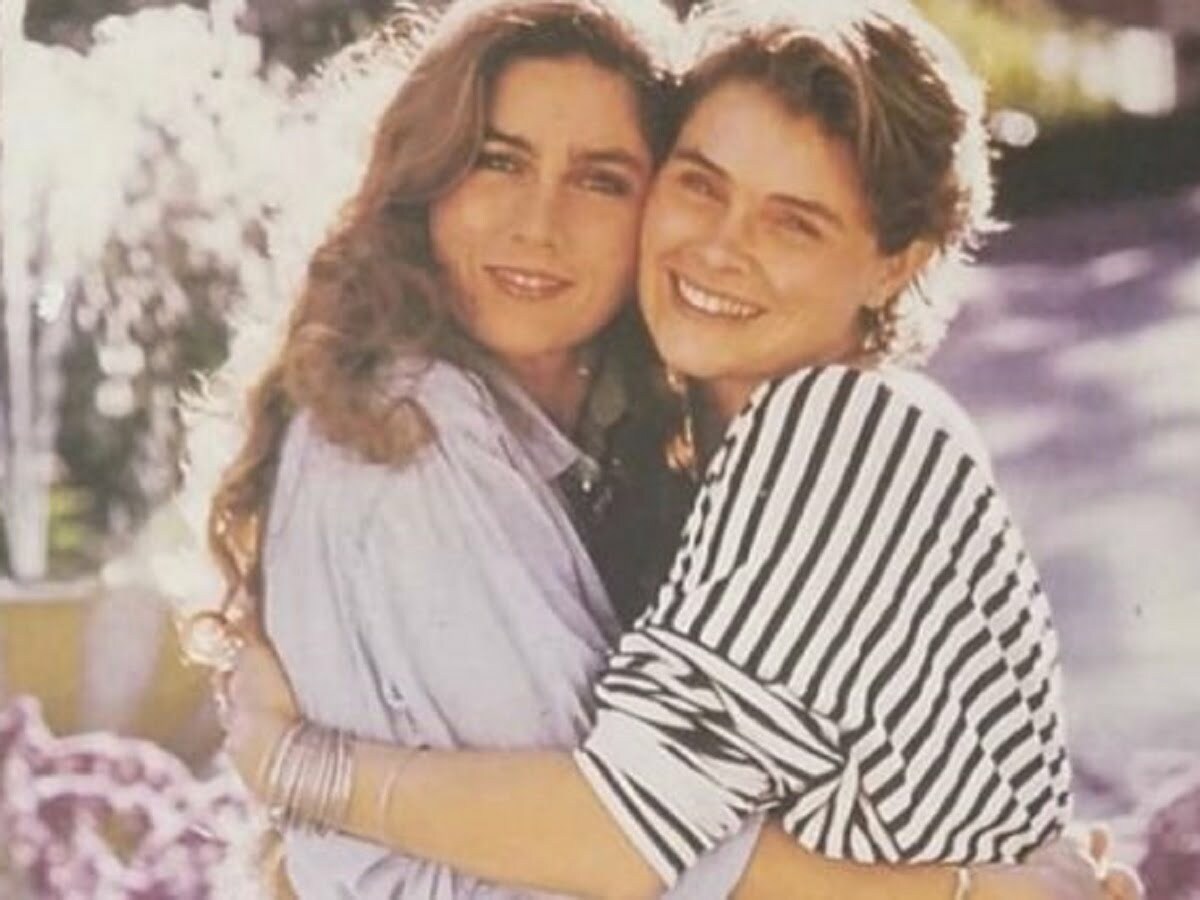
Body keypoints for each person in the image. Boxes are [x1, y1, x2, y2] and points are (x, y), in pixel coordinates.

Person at [214, 0, 1142, 897]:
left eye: (793, 221)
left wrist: (290, 762)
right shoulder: (697, 462)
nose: (720, 249)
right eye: (701, 184)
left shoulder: (842, 436)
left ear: (896, 262)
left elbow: (617, 838)